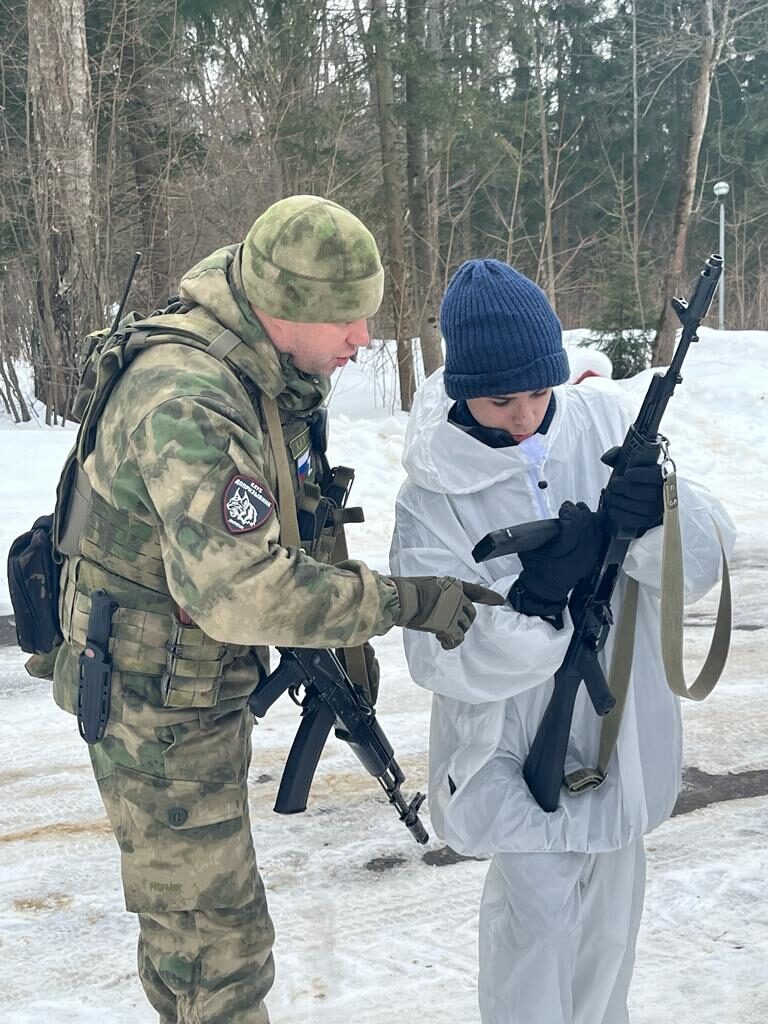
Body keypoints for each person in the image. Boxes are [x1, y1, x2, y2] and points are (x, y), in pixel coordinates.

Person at [49, 196, 502, 1024]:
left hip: (192, 683)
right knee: (214, 958)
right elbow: (244, 591)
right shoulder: (186, 401)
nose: (362, 340)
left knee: (203, 945)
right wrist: (406, 603)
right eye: (347, 320)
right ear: (281, 309)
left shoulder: (266, 370)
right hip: (153, 709)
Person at [389, 259, 735, 1024]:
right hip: (513, 754)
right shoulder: (432, 493)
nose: (522, 415)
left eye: (538, 393)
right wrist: (539, 601)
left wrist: (653, 521)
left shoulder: (607, 421)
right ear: (461, 390)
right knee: (535, 942)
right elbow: (432, 652)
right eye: (500, 398)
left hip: (621, 741)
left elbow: (707, 557)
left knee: (608, 943)